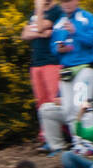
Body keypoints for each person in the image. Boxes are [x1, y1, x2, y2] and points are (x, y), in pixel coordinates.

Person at [37, 0, 93, 153]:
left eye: (69, 1)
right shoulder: (59, 22)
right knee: (67, 109)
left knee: (81, 105)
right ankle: (78, 143)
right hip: (67, 68)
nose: (66, 4)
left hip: (86, 66)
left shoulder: (87, 17)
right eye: (63, 1)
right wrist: (59, 48)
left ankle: (89, 144)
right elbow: (53, 47)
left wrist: (76, 32)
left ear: (77, 1)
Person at [24, 1, 64, 144]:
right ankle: (46, 137)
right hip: (36, 63)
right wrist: (41, 33)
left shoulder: (57, 10)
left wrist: (39, 8)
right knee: (41, 102)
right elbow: (24, 35)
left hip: (52, 62)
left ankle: (63, 135)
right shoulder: (35, 13)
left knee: (54, 101)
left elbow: (40, 28)